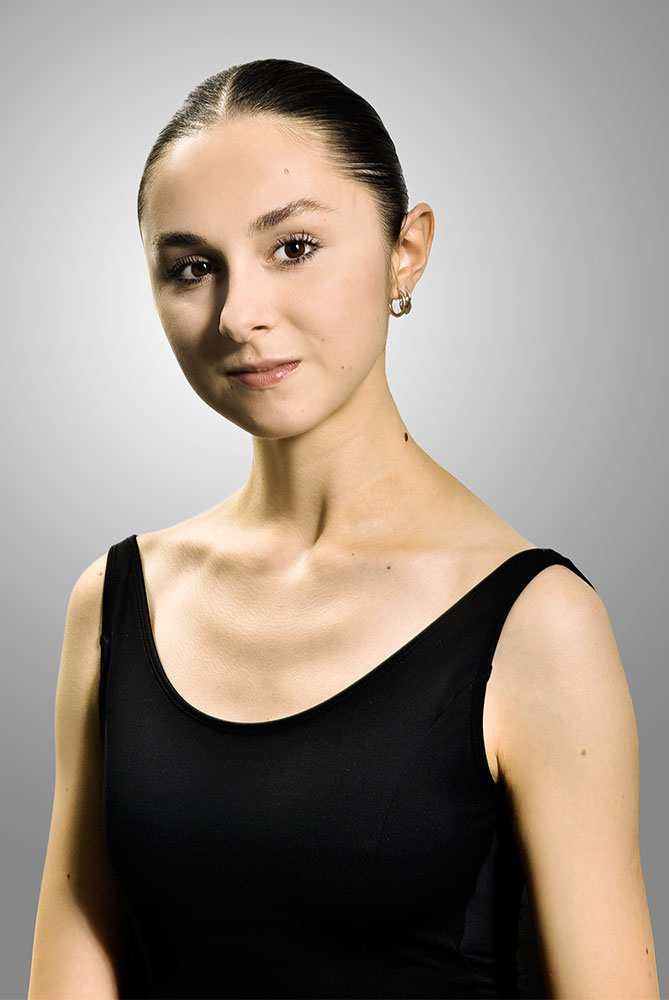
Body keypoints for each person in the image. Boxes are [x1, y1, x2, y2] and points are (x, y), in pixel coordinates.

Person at [27, 59, 659, 1000]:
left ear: (407, 250)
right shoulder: (117, 602)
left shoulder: (536, 624)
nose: (239, 315)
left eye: (293, 248)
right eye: (193, 267)